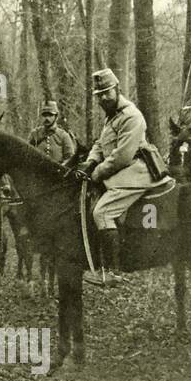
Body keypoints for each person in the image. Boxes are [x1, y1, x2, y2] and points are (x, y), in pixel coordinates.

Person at [74, 68, 165, 279]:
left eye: (107, 91)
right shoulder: (111, 117)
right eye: (100, 94)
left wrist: (95, 173)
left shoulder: (131, 116)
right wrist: (89, 162)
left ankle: (112, 272)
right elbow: (100, 143)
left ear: (117, 89)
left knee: (102, 212)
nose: (104, 97)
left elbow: (122, 156)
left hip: (136, 171)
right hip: (121, 171)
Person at [28, 100, 77, 164]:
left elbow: (69, 158)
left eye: (50, 115)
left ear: (56, 116)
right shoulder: (35, 134)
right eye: (44, 115)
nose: (47, 118)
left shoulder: (63, 135)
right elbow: (27, 154)